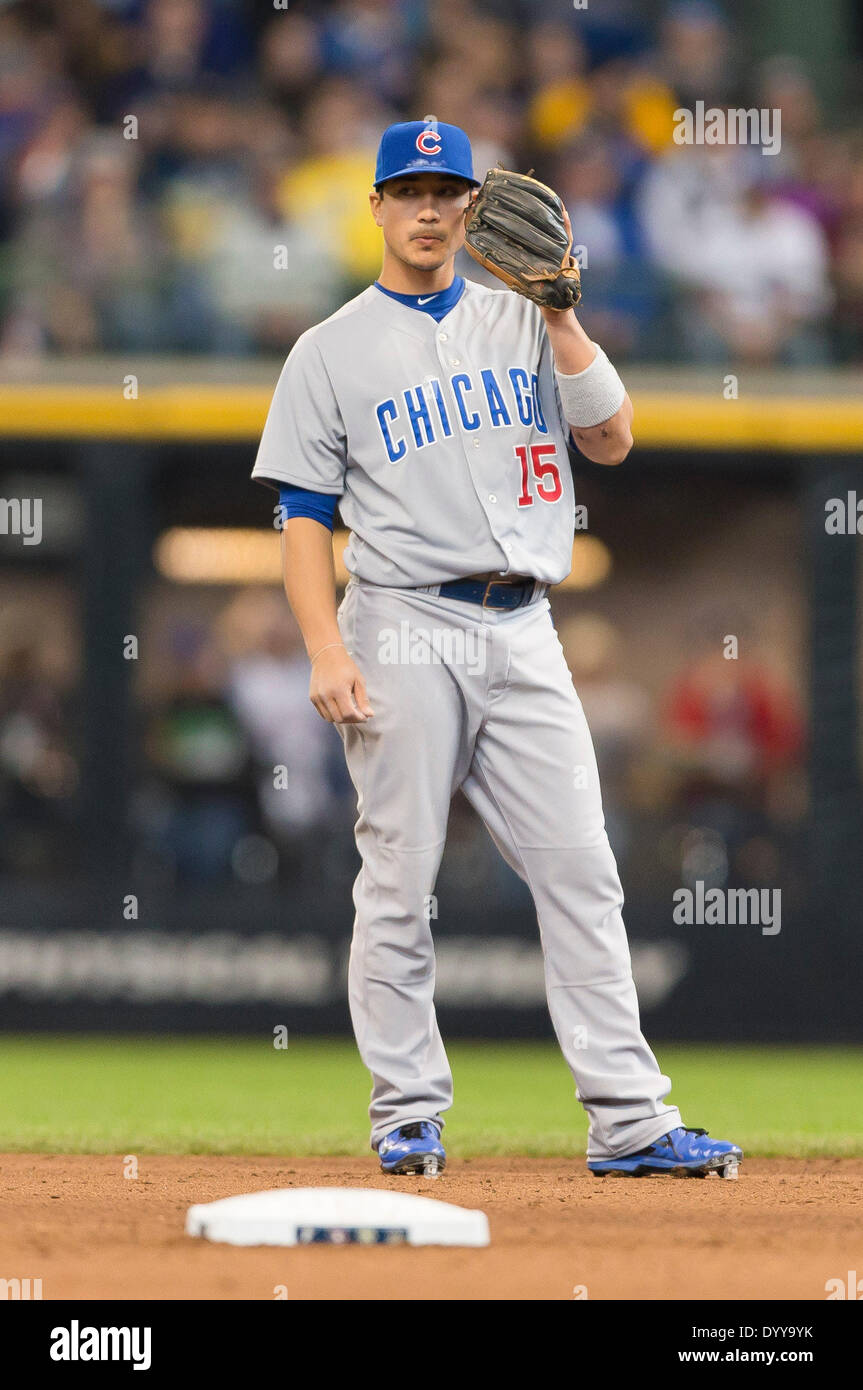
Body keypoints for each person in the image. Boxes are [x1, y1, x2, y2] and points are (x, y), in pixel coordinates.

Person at [252, 117, 742, 1181]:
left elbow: (610, 439)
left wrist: (562, 314)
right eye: (408, 190)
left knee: (582, 869)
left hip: (525, 626)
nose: (427, 210)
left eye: (447, 192)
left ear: (473, 209)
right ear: (375, 206)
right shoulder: (327, 348)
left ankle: (626, 1119)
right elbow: (300, 518)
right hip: (400, 621)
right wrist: (324, 646)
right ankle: (406, 1113)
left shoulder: (527, 323)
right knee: (398, 876)